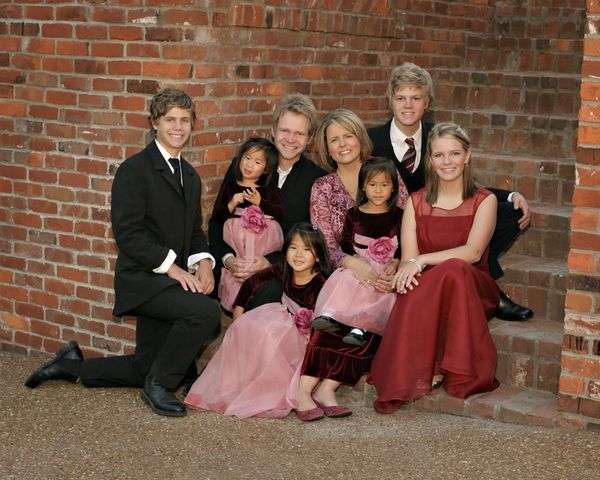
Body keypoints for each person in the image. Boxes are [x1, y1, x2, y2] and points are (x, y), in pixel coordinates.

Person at [24, 89, 221, 417]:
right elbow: (129, 234)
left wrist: (203, 264)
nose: (178, 126)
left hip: (171, 281)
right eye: (170, 119)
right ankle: (159, 384)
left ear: (192, 125)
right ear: (155, 123)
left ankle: (71, 366)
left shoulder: (190, 175)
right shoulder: (135, 170)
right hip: (143, 281)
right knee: (205, 313)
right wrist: (173, 268)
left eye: (185, 120)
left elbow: (195, 232)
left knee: (142, 365)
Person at [368, 62, 533, 321]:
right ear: (391, 101)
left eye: (416, 98)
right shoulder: (371, 140)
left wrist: (508, 196)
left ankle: (473, 275)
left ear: (427, 103)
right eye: (401, 98)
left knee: (507, 212)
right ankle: (483, 287)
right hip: (393, 228)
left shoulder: (438, 135)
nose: (408, 105)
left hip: (434, 222)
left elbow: (459, 181)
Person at [370, 123, 500, 414]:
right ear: (430, 159)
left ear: (467, 156)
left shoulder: (485, 200)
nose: (447, 162)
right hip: (430, 286)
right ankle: (429, 367)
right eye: (439, 155)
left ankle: (442, 366)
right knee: (420, 282)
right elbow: (409, 260)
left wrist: (421, 261)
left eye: (454, 153)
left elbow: (473, 252)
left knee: (454, 268)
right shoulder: (416, 202)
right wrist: (410, 267)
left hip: (473, 285)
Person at [295, 110, 407, 418]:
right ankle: (303, 392)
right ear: (326, 148)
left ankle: (328, 388)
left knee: (370, 320)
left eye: (348, 135)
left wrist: (397, 264)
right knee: (334, 317)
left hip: (387, 272)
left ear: (360, 137)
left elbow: (407, 223)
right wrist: (358, 267)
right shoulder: (323, 187)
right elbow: (326, 242)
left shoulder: (384, 173)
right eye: (334, 139)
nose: (342, 144)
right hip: (344, 269)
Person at [185, 223, 331, 421]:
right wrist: (238, 315)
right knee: (253, 328)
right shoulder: (284, 269)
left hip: (305, 335)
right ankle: (236, 386)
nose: (298, 255)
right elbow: (252, 283)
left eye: (307, 249)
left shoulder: (321, 282)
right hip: (281, 319)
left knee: (273, 340)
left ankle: (268, 391)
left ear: (318, 256)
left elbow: (327, 319)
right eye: (293, 248)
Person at [209, 93, 325, 308]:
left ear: (309, 139)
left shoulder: (316, 178)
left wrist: (268, 262)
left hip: (284, 270)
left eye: (299, 133)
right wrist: (229, 260)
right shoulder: (244, 166)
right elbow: (217, 221)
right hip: (235, 262)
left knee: (265, 291)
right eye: (285, 131)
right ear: (273, 131)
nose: (291, 139)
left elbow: (313, 240)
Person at [311, 157, 402, 347]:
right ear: (363, 187)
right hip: (361, 263)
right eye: (372, 184)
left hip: (385, 269)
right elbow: (345, 242)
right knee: (346, 278)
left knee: (376, 293)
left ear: (393, 187)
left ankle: (360, 328)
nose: (378, 190)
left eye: (384, 185)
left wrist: (397, 261)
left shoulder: (399, 215)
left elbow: (404, 244)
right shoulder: (354, 214)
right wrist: (353, 259)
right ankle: (331, 316)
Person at [210, 137, 284, 312]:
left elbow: (280, 213)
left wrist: (261, 203)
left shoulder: (269, 190)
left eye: (257, 162)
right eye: (246, 158)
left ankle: (254, 302)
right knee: (237, 273)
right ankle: (236, 305)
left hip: (260, 243)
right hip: (236, 243)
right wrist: (232, 202)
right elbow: (218, 216)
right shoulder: (230, 187)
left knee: (256, 273)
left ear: (266, 169)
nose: (249, 164)